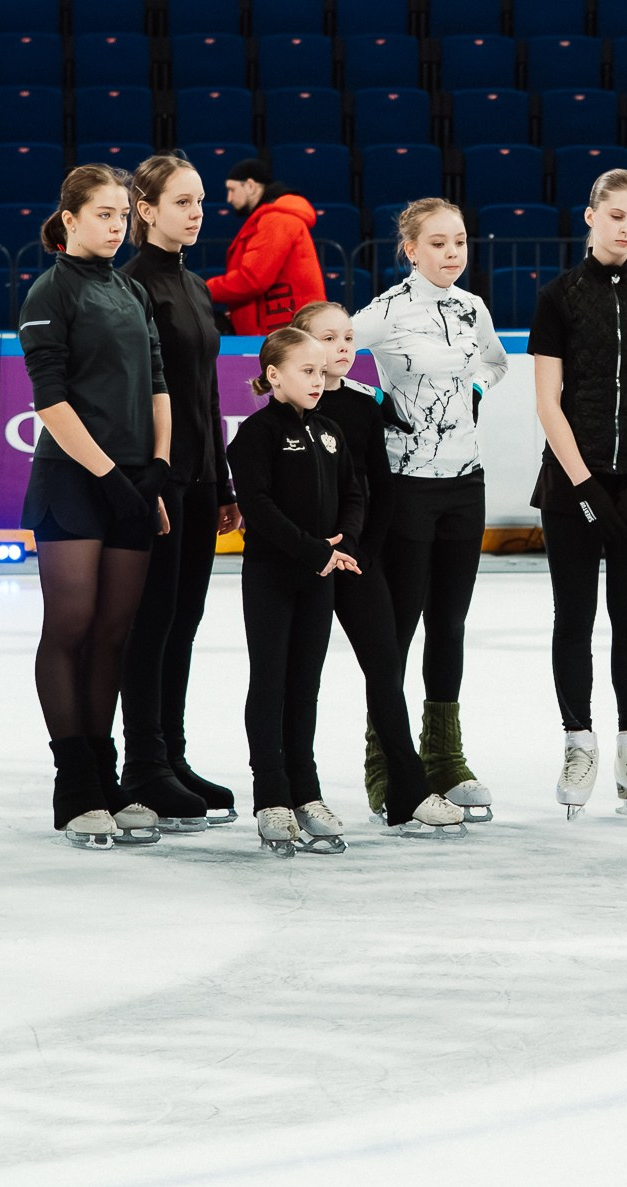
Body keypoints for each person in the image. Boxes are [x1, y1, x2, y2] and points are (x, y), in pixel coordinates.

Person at [17, 164, 174, 848]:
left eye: (121, 215)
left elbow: (158, 384)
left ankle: (105, 773)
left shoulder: (132, 290)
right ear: (71, 218)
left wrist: (158, 469)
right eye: (102, 214)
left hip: (135, 481)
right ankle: (73, 778)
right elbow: (49, 397)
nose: (115, 226)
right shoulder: (51, 289)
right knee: (72, 626)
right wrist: (109, 474)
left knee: (115, 631)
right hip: (75, 482)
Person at [528, 168, 627, 821]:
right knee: (574, 617)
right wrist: (585, 487)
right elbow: (546, 401)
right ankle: (578, 742)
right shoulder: (558, 297)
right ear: (590, 214)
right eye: (616, 214)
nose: (626, 228)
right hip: (574, 486)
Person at [350, 198, 509, 821]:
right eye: (438, 243)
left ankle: (446, 756)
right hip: (407, 485)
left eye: (460, 242)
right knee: (400, 628)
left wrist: (474, 387)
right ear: (410, 250)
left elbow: (495, 363)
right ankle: (385, 760)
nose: (452, 254)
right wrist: (372, 402)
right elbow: (320, 349)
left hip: (466, 485)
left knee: (450, 623)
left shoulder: (473, 309)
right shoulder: (387, 312)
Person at [295, 300, 469, 836]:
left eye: (349, 338)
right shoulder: (284, 414)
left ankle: (405, 788)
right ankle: (295, 790)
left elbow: (381, 485)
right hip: (304, 564)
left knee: (386, 666)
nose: (344, 348)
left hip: (357, 559)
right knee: (299, 678)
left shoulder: (365, 406)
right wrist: (311, 549)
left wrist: (363, 552)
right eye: (329, 339)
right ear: (300, 344)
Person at [119, 156, 238, 828]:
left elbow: (208, 390)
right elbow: (139, 394)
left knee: (184, 622)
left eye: (199, 202)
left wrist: (221, 479)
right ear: (146, 206)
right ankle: (143, 766)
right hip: (162, 482)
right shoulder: (134, 285)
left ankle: (173, 754)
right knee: (152, 623)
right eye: (182, 202)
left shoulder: (193, 284)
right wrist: (153, 479)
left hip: (198, 481)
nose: (196, 212)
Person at [227, 325, 365, 858]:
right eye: (306, 370)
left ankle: (305, 791)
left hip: (320, 577)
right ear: (274, 376)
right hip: (273, 576)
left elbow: (355, 493)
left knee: (305, 683)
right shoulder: (256, 435)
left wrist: (345, 540)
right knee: (271, 680)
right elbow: (257, 508)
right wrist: (314, 549)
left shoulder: (330, 430)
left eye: (321, 369)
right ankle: (271, 797)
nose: (318, 377)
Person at [203, 157, 325, 334]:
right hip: (286, 328)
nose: (228, 199)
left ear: (251, 186)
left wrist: (203, 289)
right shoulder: (275, 217)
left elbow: (252, 279)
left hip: (285, 332)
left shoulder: (276, 219)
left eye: (232, 189)